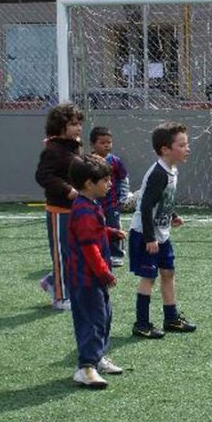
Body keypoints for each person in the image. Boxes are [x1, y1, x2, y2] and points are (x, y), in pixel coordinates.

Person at [128, 121, 196, 339]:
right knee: (149, 277)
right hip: (145, 234)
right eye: (182, 145)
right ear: (166, 149)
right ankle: (141, 323)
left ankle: (171, 318)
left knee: (168, 272)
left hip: (161, 234)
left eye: (187, 144)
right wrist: (149, 238)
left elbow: (163, 199)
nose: (188, 148)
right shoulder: (159, 173)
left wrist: (172, 215)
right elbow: (146, 206)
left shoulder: (172, 170)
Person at [66, 155, 126, 389]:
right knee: (92, 320)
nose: (110, 184)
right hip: (86, 279)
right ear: (90, 184)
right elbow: (89, 248)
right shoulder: (83, 210)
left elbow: (95, 233)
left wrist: (110, 232)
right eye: (105, 180)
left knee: (104, 316)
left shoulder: (91, 205)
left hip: (92, 279)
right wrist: (104, 273)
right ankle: (86, 367)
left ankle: (97, 357)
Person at [34, 103, 84, 310]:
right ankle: (61, 297)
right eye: (73, 124)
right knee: (62, 254)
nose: (79, 128)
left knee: (76, 253)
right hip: (59, 210)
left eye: (79, 123)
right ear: (60, 126)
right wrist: (67, 190)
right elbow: (43, 176)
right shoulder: (53, 150)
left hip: (76, 208)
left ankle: (52, 281)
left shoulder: (74, 146)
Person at [89, 126, 132, 267]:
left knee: (113, 226)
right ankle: (96, 253)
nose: (107, 145)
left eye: (109, 142)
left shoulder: (115, 161)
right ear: (93, 144)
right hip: (94, 203)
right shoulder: (87, 161)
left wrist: (123, 196)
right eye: (103, 143)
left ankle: (116, 253)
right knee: (94, 226)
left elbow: (123, 178)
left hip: (112, 203)